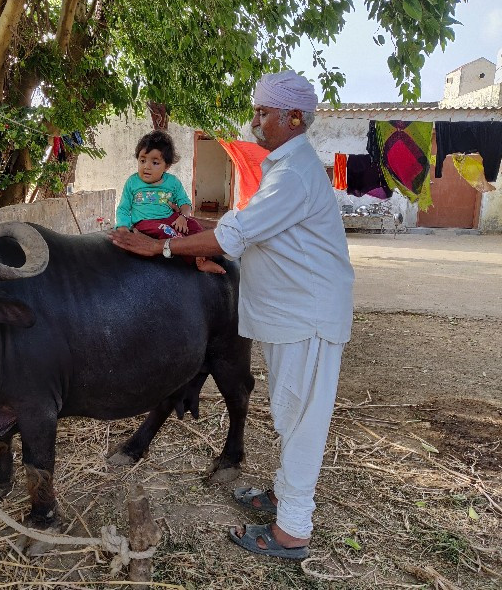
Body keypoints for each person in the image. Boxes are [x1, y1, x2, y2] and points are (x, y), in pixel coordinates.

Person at [110, 70, 354, 560]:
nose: (255, 120)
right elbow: (242, 227)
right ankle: (284, 500)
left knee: (303, 420)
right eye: (256, 109)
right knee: (290, 413)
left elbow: (231, 236)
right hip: (297, 312)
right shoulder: (286, 169)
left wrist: (160, 247)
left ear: (292, 117)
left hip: (309, 313)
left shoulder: (293, 175)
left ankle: (291, 533)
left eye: (263, 112)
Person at [115, 130, 225, 274]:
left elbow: (185, 203)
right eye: (142, 160)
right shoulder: (132, 182)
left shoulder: (172, 182)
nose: (146, 166)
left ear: (166, 166)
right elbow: (123, 208)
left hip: (170, 218)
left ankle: (206, 253)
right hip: (146, 222)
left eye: (155, 162)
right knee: (169, 233)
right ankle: (197, 260)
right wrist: (123, 228)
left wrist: (183, 217)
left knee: (194, 225)